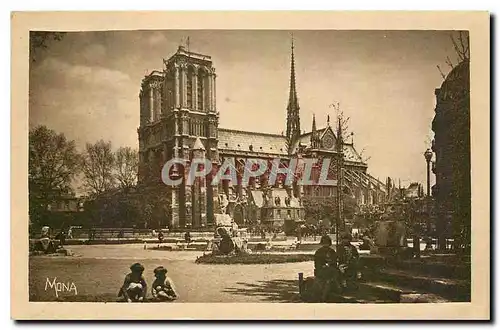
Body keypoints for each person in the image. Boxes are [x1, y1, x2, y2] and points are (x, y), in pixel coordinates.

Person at [314, 235, 340, 302]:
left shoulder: (332, 251)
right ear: (322, 244)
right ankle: (324, 296)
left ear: (329, 244)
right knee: (328, 277)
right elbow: (317, 264)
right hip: (321, 270)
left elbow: (335, 261)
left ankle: (335, 287)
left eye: (327, 243)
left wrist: (331, 264)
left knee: (335, 272)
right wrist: (324, 265)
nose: (326, 245)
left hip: (331, 269)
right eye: (324, 243)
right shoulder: (319, 252)